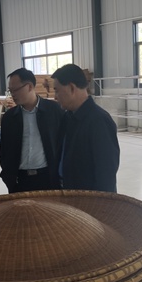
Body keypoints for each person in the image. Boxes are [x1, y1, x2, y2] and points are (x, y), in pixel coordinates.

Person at [52, 64, 120, 192]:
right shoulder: (68, 117)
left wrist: (99, 202)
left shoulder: (99, 121)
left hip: (87, 198)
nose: (55, 96)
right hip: (68, 192)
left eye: (57, 90)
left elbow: (106, 173)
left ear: (71, 88)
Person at [0, 68, 63, 193]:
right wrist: (9, 177)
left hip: (48, 179)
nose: (12, 95)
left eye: (15, 90)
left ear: (29, 87)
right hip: (20, 181)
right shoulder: (9, 118)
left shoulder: (54, 111)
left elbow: (62, 145)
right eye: (10, 91)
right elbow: (4, 151)